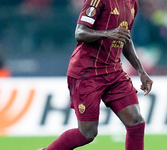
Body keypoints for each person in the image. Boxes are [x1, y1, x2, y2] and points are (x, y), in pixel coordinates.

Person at [38, 0, 153, 149]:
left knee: (136, 121)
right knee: (87, 133)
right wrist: (108, 33)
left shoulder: (132, 3)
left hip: (114, 71)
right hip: (87, 72)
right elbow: (80, 32)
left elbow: (125, 38)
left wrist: (141, 72)